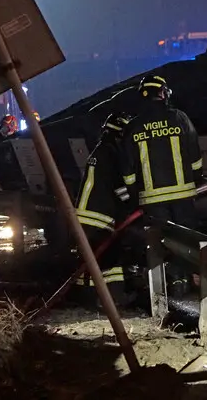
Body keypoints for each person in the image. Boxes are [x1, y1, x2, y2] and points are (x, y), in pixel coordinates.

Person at [119, 74, 203, 294]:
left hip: (152, 199)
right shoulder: (180, 119)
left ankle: (172, 283)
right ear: (163, 93)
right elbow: (194, 153)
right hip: (183, 195)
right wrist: (198, 179)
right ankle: (189, 279)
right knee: (186, 238)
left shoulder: (134, 127)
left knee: (161, 241)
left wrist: (134, 195)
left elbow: (127, 169)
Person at [73, 112, 134, 307]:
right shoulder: (113, 154)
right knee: (111, 260)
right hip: (99, 218)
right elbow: (120, 188)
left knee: (90, 262)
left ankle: (87, 299)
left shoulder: (99, 151)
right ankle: (116, 299)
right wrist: (135, 204)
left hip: (84, 217)